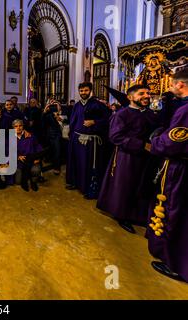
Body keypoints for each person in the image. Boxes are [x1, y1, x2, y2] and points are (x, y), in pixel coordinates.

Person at [97, 85, 159, 233]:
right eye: (141, 94)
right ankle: (122, 216)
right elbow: (115, 136)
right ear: (130, 97)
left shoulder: (150, 114)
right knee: (125, 186)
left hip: (146, 158)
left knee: (141, 186)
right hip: (127, 157)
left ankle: (137, 216)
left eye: (148, 93)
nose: (146, 96)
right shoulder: (121, 114)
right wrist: (142, 145)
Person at [146, 69, 188, 282]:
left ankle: (177, 263)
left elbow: (171, 143)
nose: (170, 87)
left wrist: (154, 142)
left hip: (181, 167)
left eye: (172, 83)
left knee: (175, 212)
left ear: (180, 85)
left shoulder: (185, 111)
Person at [65, 82, 111, 199]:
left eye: (85, 90)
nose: (83, 93)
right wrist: (71, 135)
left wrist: (95, 122)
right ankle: (75, 183)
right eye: (81, 91)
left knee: (87, 165)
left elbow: (109, 119)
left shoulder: (98, 105)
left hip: (91, 142)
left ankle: (88, 189)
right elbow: (72, 121)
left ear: (90, 91)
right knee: (76, 162)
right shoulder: (76, 105)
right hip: (76, 139)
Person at [13, 120, 43, 191]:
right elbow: (8, 152)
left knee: (35, 170)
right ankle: (25, 178)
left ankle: (33, 181)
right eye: (16, 126)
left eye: (20, 126)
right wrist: (17, 157)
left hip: (31, 161)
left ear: (23, 126)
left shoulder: (30, 136)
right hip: (19, 163)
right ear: (13, 128)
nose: (18, 128)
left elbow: (38, 148)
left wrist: (38, 158)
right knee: (18, 181)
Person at [42, 100, 69, 175]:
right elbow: (42, 122)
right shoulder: (49, 115)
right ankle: (56, 167)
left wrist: (62, 119)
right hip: (54, 135)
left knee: (64, 151)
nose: (56, 106)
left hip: (66, 135)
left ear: (60, 106)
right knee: (57, 151)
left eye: (57, 104)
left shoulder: (65, 113)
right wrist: (44, 111)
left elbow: (70, 121)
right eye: (54, 105)